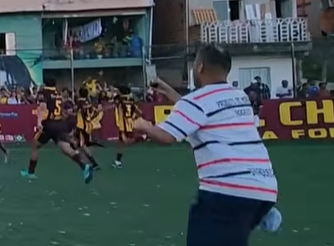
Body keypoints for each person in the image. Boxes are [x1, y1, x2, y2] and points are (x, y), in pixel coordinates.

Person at [135, 45, 279, 246]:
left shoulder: (197, 101)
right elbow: (202, 111)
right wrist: (170, 92)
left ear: (200, 66)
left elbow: (166, 136)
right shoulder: (239, 97)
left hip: (227, 192)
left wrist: (142, 125)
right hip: (264, 189)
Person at [21, 78, 95, 183]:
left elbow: (42, 107)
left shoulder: (44, 92)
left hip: (49, 124)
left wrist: (39, 122)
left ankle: (31, 172)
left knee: (35, 145)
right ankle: (84, 166)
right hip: (59, 124)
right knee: (65, 147)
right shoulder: (58, 92)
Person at [71, 88, 101, 170]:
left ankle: (94, 163)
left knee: (82, 145)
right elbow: (94, 112)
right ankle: (80, 159)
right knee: (74, 142)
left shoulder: (79, 103)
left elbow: (74, 110)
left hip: (81, 126)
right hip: (87, 125)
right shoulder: (89, 103)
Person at [112, 85, 141, 168]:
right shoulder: (132, 99)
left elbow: (113, 100)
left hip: (123, 125)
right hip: (129, 123)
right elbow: (138, 111)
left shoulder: (119, 99)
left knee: (124, 142)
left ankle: (141, 138)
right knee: (121, 143)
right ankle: (117, 161)